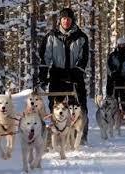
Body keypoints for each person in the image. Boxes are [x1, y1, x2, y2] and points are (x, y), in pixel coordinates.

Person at [39, 8, 89, 143]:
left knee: (80, 105)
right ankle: (53, 136)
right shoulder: (51, 36)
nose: (66, 21)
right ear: (60, 20)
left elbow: (83, 58)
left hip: (75, 74)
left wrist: (77, 71)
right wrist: (43, 74)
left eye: (68, 19)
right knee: (54, 106)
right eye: (63, 19)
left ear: (72, 21)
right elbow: (45, 56)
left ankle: (81, 135)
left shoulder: (81, 37)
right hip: (57, 74)